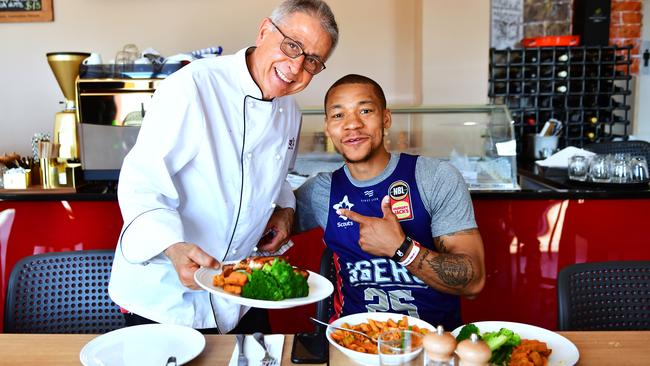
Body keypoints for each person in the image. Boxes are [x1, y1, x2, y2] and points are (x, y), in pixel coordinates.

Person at [108, 0, 339, 334]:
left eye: (313, 61)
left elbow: (280, 177)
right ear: (264, 32)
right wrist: (173, 246)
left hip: (241, 293)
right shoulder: (192, 87)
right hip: (167, 294)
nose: (296, 66)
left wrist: (285, 211)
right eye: (292, 46)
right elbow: (141, 183)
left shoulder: (291, 111)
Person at [295, 74, 485, 330]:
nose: (352, 124)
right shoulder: (322, 190)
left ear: (386, 118)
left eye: (365, 110)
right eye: (339, 115)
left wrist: (402, 249)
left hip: (432, 343)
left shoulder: (434, 177)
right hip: (352, 341)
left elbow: (473, 282)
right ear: (328, 126)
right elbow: (261, 226)